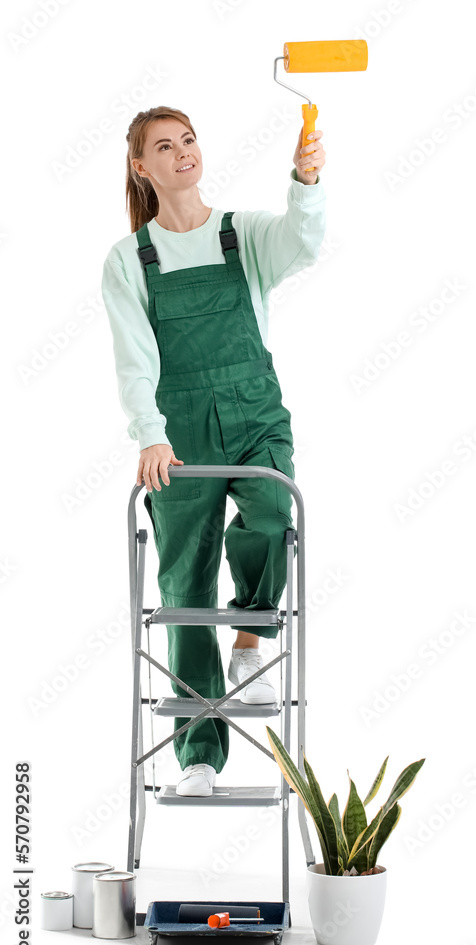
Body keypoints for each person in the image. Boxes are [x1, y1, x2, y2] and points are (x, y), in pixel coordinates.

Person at [101, 105, 326, 796]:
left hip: (256, 413)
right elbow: (134, 357)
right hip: (180, 429)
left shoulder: (242, 234)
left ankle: (250, 645)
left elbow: (303, 244)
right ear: (143, 167)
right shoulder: (130, 258)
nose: (182, 154)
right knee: (185, 585)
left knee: (271, 515)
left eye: (189, 140)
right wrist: (151, 434)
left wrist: (305, 180)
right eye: (164, 147)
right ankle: (199, 757)